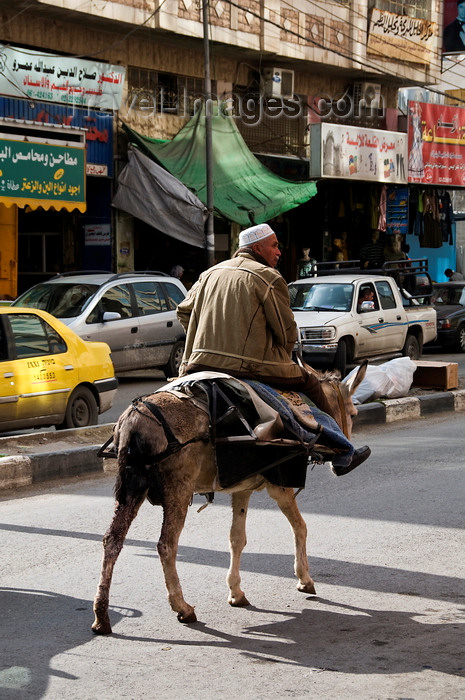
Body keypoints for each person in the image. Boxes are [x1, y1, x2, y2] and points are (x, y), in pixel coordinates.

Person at [177, 223, 370, 476]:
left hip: (198, 363)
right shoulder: (268, 277)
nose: (279, 251)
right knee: (310, 382)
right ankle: (338, 451)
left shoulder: (210, 273)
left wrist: (208, 335)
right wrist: (278, 350)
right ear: (257, 248)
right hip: (251, 365)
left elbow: (183, 311)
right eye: (275, 245)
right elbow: (285, 331)